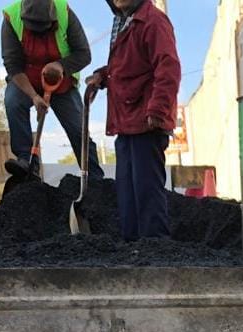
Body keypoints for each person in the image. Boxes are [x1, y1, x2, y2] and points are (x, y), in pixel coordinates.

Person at [87, 0, 180, 241]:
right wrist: (102, 76)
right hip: (126, 123)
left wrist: (158, 110)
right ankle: (132, 248)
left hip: (147, 123)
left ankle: (155, 246)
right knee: (127, 193)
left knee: (146, 191)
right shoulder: (125, 24)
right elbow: (127, 67)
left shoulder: (153, 21)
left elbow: (168, 67)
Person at [1, 0, 103, 178]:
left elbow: (84, 54)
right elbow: (13, 65)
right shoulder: (11, 18)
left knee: (78, 129)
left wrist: (60, 65)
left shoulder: (65, 14)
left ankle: (94, 177)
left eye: (43, 27)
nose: (38, 31)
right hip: (27, 80)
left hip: (61, 83)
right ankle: (26, 160)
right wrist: (33, 96)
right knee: (13, 101)